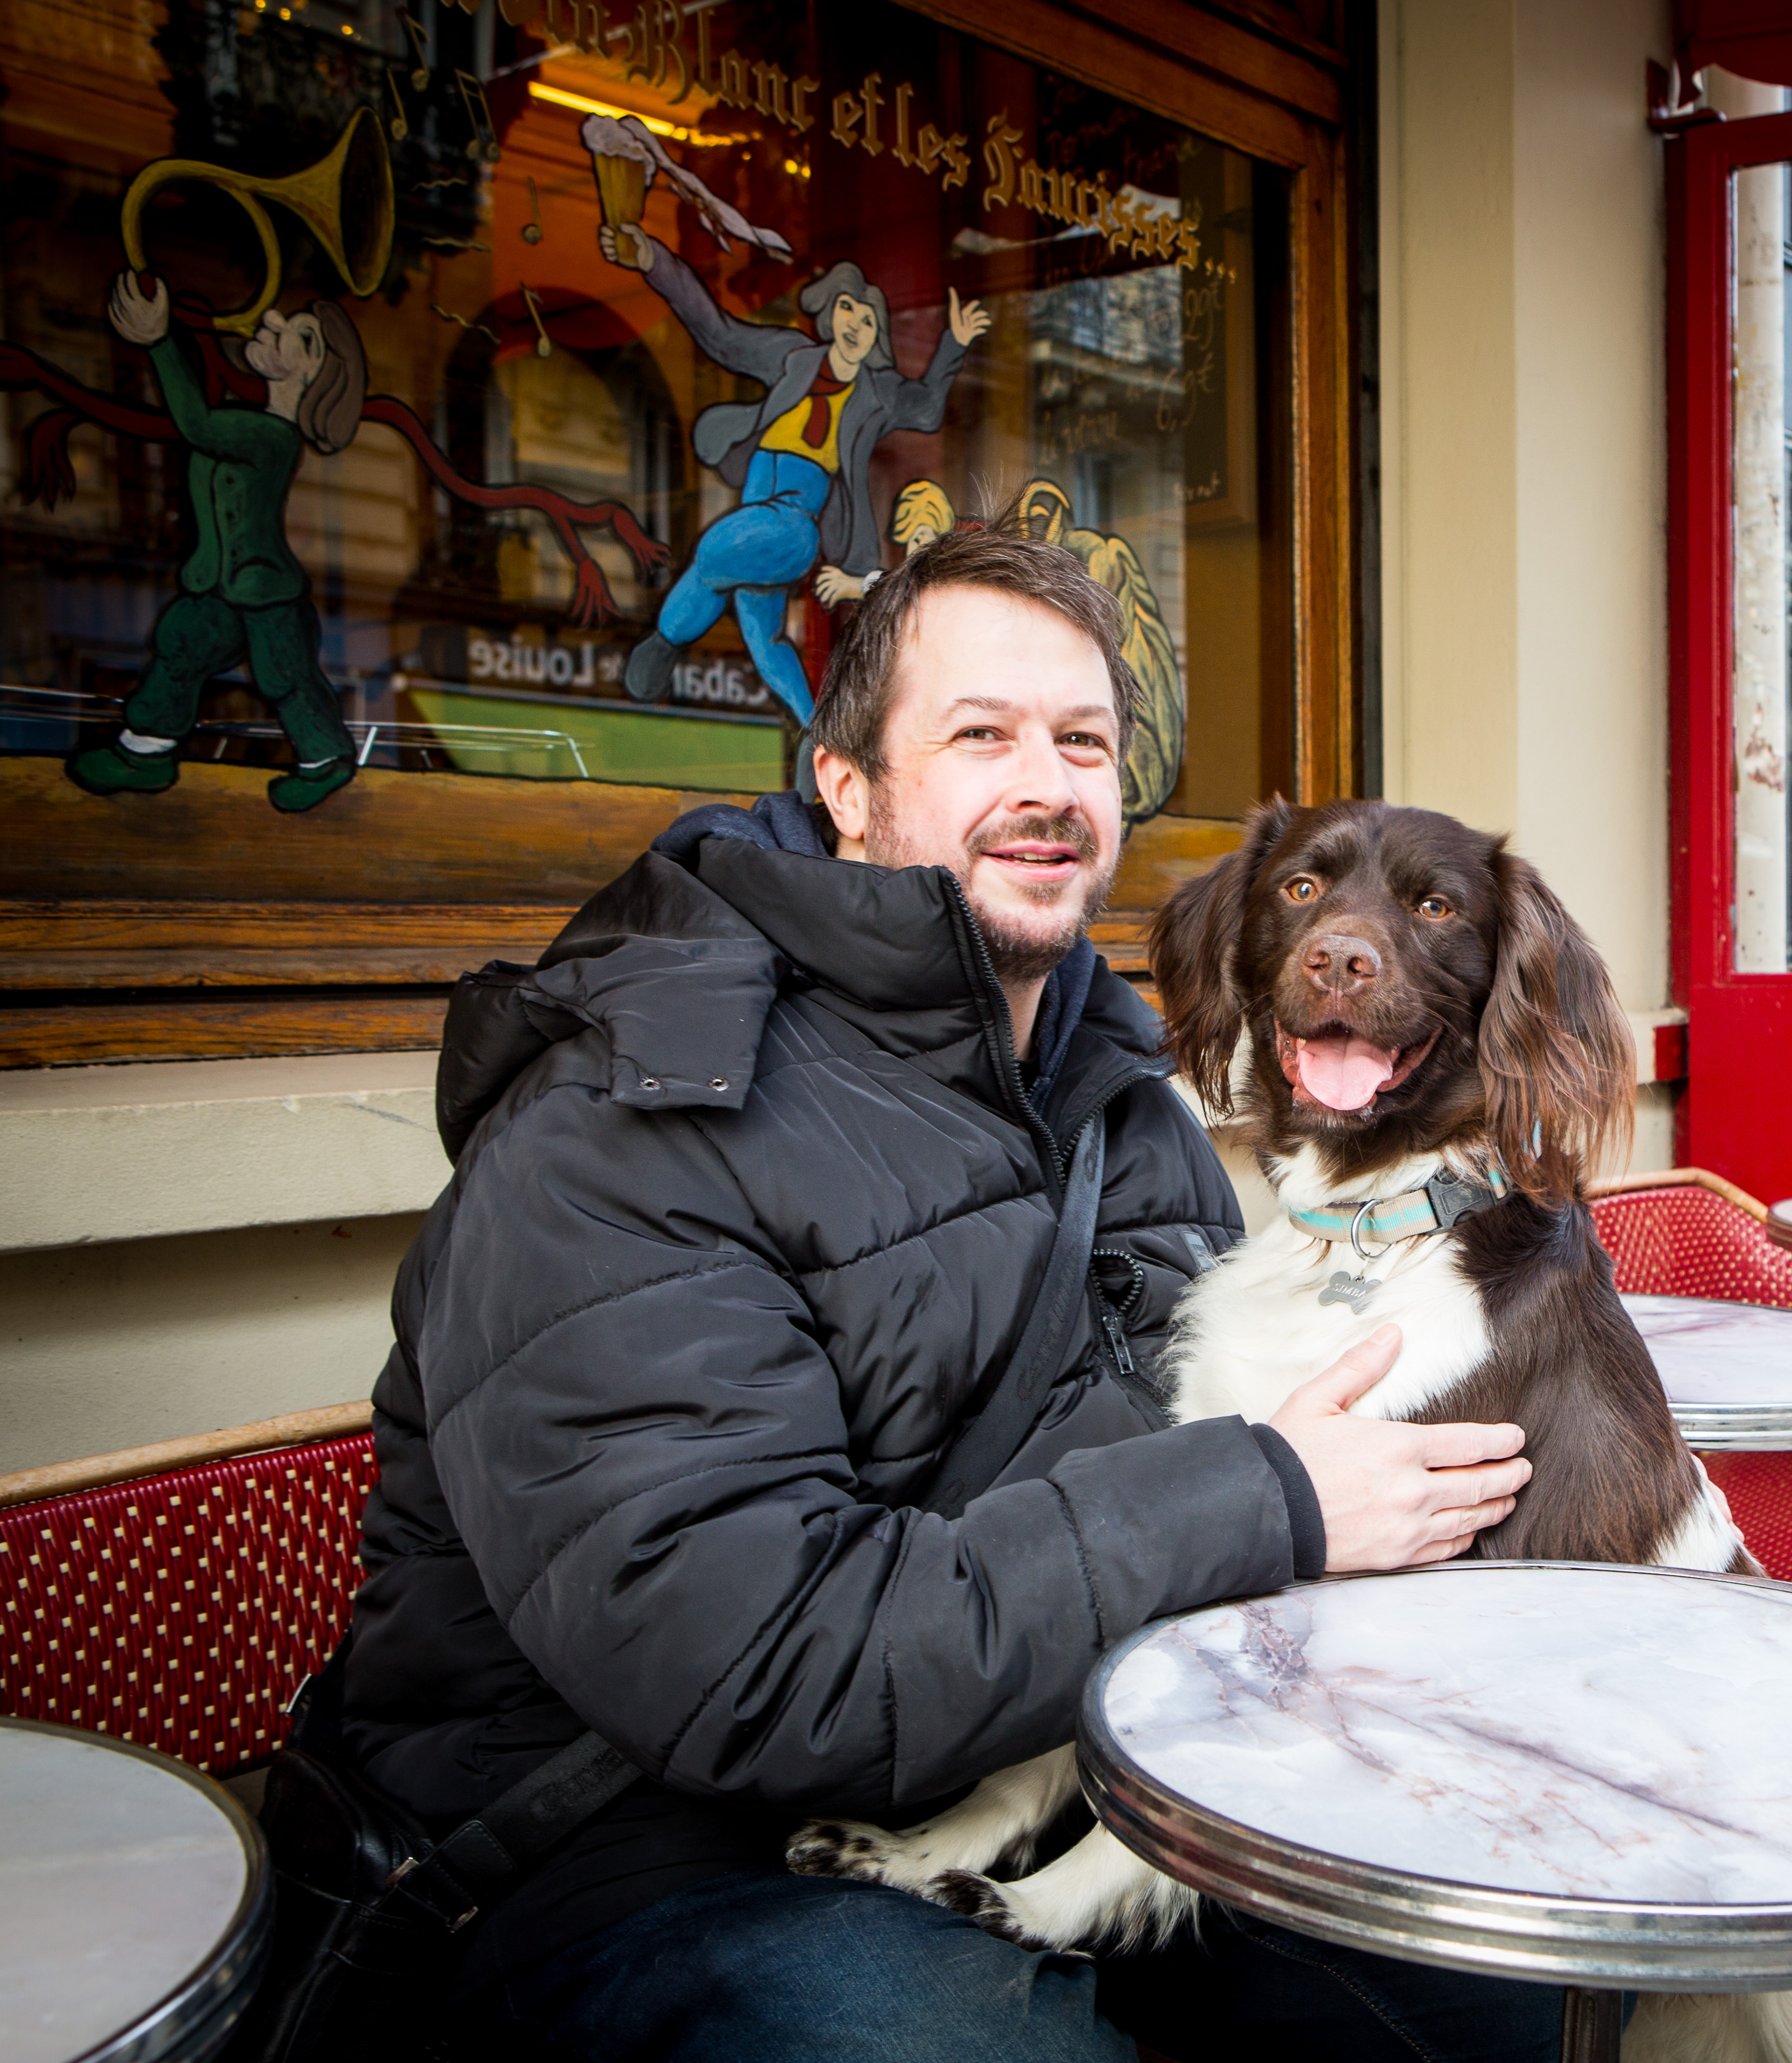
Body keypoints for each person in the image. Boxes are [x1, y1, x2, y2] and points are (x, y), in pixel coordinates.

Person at [334, 523, 1567, 2062]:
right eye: (980, 734)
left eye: (1082, 742)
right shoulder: (626, 1122)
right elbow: (753, 1670)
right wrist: (1271, 1501)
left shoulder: (1128, 1100)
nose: (1045, 784)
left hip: (1040, 1759)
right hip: (633, 1847)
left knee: (1481, 1951)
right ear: (847, 787)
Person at [605, 224, 989, 740]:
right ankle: (813, 735)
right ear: (831, 314)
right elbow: (719, 334)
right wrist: (654, 260)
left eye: (870, 320)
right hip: (757, 503)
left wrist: (954, 344)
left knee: (722, 550)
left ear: (876, 338)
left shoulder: (876, 393)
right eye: (849, 309)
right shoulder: (792, 357)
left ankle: (666, 639)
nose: (856, 324)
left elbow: (924, 409)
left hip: (796, 521)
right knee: (766, 639)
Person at [65, 273, 366, 812]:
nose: (272, 321)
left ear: (314, 374)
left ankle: (326, 761)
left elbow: (197, 425)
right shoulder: (249, 424)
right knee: (181, 649)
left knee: (286, 675)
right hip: (222, 585)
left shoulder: (273, 437)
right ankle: (146, 754)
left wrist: (160, 342)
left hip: (265, 590)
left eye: (300, 337)